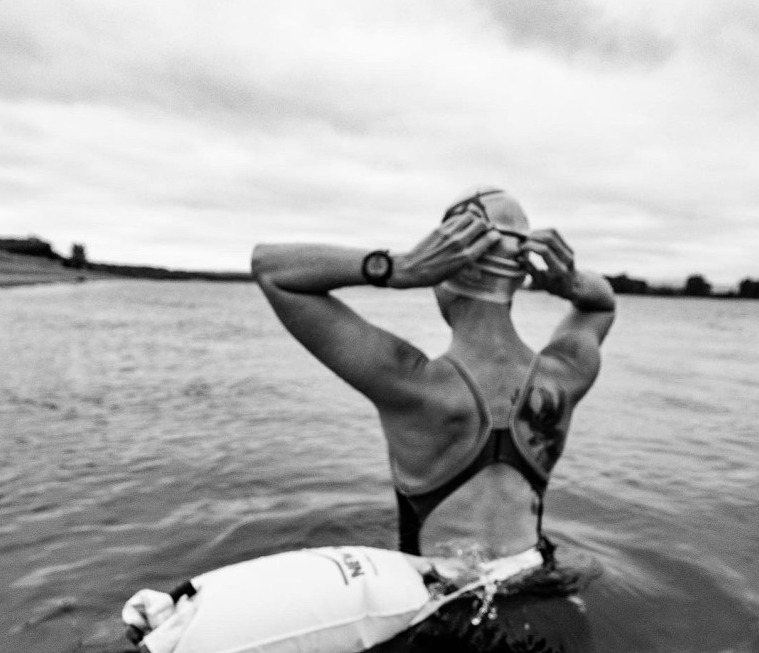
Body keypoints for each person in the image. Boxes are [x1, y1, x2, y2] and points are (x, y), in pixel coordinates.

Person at [250, 187, 615, 562]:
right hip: (538, 574)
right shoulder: (565, 374)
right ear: (520, 278)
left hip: (437, 591)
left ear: (444, 266)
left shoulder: (413, 384)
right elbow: (602, 305)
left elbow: (271, 269)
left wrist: (401, 267)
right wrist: (570, 283)